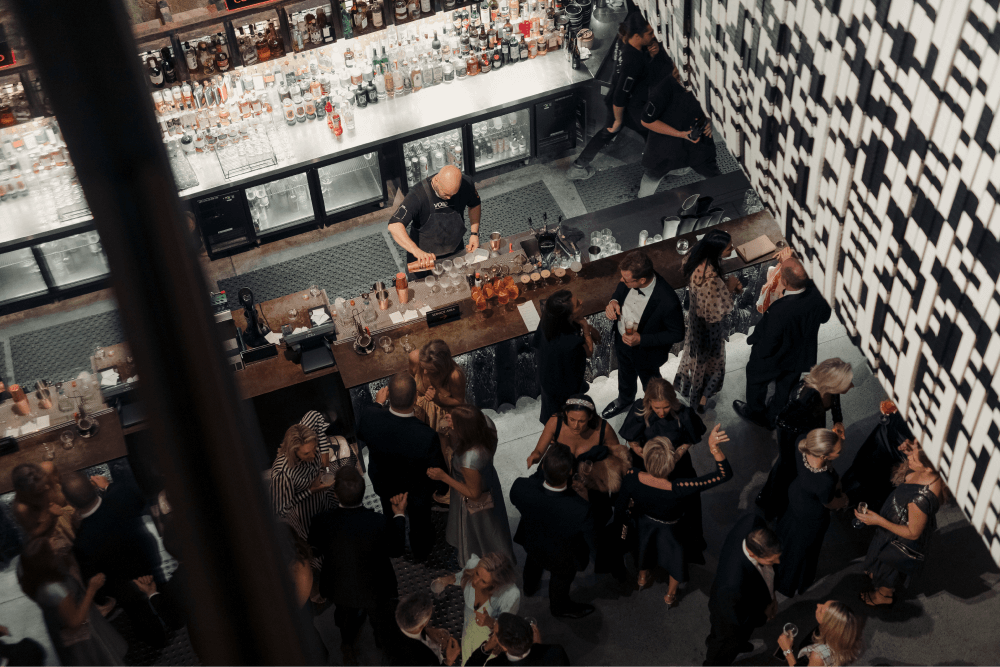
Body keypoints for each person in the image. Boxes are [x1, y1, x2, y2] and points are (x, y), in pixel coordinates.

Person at [618, 427, 732, 606]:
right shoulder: (682, 486)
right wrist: (714, 448)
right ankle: (670, 595)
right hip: (671, 531)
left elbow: (620, 504)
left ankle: (642, 577)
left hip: (644, 525)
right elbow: (724, 474)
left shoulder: (632, 476)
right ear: (672, 462)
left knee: (643, 549)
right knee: (675, 560)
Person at [60, 471, 171, 649]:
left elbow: (94, 580)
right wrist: (108, 486)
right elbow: (138, 498)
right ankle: (171, 613)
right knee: (160, 589)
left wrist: (102, 598)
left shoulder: (82, 543)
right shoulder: (122, 496)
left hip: (126, 588)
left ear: (71, 503)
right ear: (92, 486)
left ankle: (157, 641)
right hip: (149, 562)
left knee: (139, 615)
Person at [308, 467, 407, 663]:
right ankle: (384, 645)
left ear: (335, 495)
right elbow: (397, 549)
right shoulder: (378, 522)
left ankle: (347, 647)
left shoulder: (321, 521)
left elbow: (315, 550)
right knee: (381, 620)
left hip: (340, 589)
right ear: (363, 492)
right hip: (377, 589)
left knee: (345, 619)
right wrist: (399, 515)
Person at [527, 395, 629, 580]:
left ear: (590, 417)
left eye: (581, 421)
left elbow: (618, 455)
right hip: (560, 478)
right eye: (572, 419)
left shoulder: (602, 428)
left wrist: (600, 469)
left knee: (595, 529)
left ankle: (610, 565)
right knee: (549, 525)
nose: (575, 426)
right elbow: (539, 449)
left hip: (589, 483)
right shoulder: (555, 422)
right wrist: (535, 455)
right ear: (565, 414)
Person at [357, 372, 446, 561]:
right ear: (415, 398)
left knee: (389, 515)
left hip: (385, 485)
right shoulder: (426, 435)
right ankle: (421, 551)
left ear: (388, 396)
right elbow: (438, 470)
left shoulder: (370, 416)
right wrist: (441, 489)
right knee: (421, 523)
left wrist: (377, 404)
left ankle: (394, 548)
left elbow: (362, 433)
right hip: (416, 492)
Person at [734, 258, 831, 429]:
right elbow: (824, 316)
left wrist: (755, 345)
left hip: (775, 358)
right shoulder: (818, 293)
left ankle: (755, 411)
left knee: (756, 381)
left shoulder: (779, 310)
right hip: (800, 354)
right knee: (785, 387)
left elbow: (767, 344)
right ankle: (774, 416)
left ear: (784, 281)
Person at [567, 13, 660, 181]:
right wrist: (618, 119)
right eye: (650, 34)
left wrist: (651, 53)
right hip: (630, 106)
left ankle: (578, 167)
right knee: (654, 135)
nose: (653, 37)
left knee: (606, 133)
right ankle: (657, 170)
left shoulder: (623, 42)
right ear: (637, 36)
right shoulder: (633, 62)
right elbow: (621, 95)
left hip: (618, 101)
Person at [853, 441, 947, 607]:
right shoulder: (927, 468)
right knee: (883, 565)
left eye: (914, 459)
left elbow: (913, 533)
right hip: (895, 522)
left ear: (928, 468)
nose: (908, 458)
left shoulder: (921, 499)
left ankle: (884, 595)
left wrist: (879, 521)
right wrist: (910, 447)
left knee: (889, 567)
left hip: (897, 536)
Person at [757, 359, 853, 520]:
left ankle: (768, 498)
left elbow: (834, 397)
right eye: (847, 382)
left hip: (808, 429)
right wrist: (814, 441)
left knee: (787, 469)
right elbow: (782, 421)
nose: (851, 386)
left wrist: (838, 420)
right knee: (787, 468)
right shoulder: (803, 399)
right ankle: (771, 506)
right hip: (793, 436)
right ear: (832, 383)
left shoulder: (826, 385)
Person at [510, 443, 595, 619]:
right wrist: (585, 497)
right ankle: (559, 607)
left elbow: (528, 488)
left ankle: (529, 587)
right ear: (571, 472)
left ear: (542, 466)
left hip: (532, 542)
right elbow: (590, 534)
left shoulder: (521, 487)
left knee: (532, 563)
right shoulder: (579, 508)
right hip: (562, 556)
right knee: (562, 578)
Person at [601, 250, 685, 419]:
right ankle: (625, 400)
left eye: (626, 279)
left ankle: (658, 412)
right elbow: (620, 288)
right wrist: (614, 301)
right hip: (622, 339)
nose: (621, 281)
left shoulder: (668, 300)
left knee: (651, 384)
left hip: (647, 352)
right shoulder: (631, 280)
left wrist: (642, 339)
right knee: (625, 374)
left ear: (642, 280)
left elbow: (677, 334)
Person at [17, 537, 127, 667]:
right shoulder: (55, 589)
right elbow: (75, 622)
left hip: (61, 631)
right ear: (46, 559)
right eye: (51, 545)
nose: (54, 540)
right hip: (82, 637)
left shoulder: (33, 576)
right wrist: (92, 589)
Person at [428, 404, 515, 565]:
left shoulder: (469, 459)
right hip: (489, 484)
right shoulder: (487, 425)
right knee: (494, 529)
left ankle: (483, 563)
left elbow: (474, 493)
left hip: (475, 503)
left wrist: (444, 477)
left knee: (481, 535)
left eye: (454, 422)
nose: (450, 423)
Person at [774, 429, 848, 597]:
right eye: (838, 451)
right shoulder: (824, 482)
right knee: (803, 549)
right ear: (824, 456)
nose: (840, 452)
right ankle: (790, 581)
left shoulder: (802, 442)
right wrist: (844, 500)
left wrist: (832, 437)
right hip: (811, 516)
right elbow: (830, 503)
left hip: (796, 497)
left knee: (787, 534)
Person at [674, 229, 741, 411]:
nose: (732, 249)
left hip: (695, 320)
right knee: (711, 363)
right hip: (708, 329)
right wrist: (731, 288)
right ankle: (700, 398)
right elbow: (716, 312)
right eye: (728, 248)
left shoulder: (695, 257)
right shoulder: (711, 280)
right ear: (715, 252)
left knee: (693, 357)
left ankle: (688, 390)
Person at [704, 515, 781, 667]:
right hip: (729, 615)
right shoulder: (732, 583)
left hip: (740, 601)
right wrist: (764, 616)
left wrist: (771, 598)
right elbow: (739, 618)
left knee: (738, 637)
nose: (777, 563)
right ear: (752, 554)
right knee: (723, 644)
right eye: (771, 561)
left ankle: (739, 643)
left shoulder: (753, 523)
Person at [637, 59, 721, 198]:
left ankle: (724, 199)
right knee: (653, 175)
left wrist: (710, 121)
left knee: (712, 172)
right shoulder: (663, 89)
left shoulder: (708, 83)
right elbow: (646, 121)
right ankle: (641, 203)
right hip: (666, 143)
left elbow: (715, 104)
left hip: (696, 140)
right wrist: (680, 134)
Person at [388, 165, 482, 271]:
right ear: (436, 180)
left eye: (453, 195)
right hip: (424, 258)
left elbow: (474, 204)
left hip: (456, 250)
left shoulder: (466, 183)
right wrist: (416, 251)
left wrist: (474, 234)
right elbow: (394, 226)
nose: (449, 198)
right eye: (446, 194)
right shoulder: (418, 195)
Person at [432, 552, 520, 665]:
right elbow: (462, 576)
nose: (475, 581)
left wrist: (491, 622)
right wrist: (448, 580)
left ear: (495, 585)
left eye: (483, 581)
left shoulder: (509, 595)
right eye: (477, 573)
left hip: (488, 641)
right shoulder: (473, 565)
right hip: (468, 633)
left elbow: (507, 630)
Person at [269, 420, 338, 542]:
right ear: (293, 451)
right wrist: (311, 491)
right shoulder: (283, 472)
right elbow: (281, 511)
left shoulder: (313, 452)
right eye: (306, 453)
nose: (313, 455)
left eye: (314, 448)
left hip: (325, 508)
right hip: (306, 522)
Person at [533, 290, 595, 424]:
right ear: (569, 316)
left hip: (548, 373)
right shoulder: (571, 342)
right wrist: (585, 327)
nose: (581, 302)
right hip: (564, 383)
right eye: (578, 304)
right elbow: (589, 351)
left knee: (549, 404)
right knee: (562, 409)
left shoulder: (548, 319)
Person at [840, 400, 910, 510]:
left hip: (899, 438)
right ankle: (841, 497)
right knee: (864, 465)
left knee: (874, 475)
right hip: (893, 432)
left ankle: (846, 500)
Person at [775, 600, 864, 666]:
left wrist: (787, 650)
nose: (818, 605)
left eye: (821, 610)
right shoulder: (846, 631)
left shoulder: (818, 655)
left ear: (828, 624)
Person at [11, 463, 75, 554]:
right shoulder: (22, 508)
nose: (47, 487)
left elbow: (66, 489)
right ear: (28, 494)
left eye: (45, 483)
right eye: (40, 490)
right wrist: (50, 517)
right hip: (55, 536)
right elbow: (34, 535)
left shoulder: (47, 469)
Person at [466, 614, 571, 667]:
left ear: (503, 646)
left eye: (495, 633)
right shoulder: (556, 652)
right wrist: (537, 646)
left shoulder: (494, 665)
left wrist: (486, 648)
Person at [409, 339, 468, 431]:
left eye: (430, 370)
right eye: (423, 367)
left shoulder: (454, 375)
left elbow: (459, 401)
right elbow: (411, 379)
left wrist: (438, 398)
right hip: (418, 411)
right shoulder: (414, 357)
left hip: (443, 416)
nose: (424, 372)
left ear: (442, 368)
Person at [390, 591, 461, 666]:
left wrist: (426, 631)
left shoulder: (392, 608)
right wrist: (449, 661)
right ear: (422, 624)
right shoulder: (424, 658)